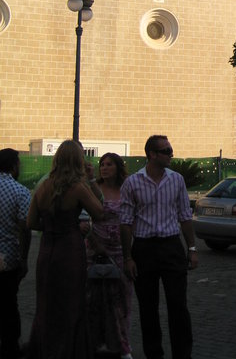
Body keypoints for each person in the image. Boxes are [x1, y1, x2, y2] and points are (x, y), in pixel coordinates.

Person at [120, 135, 198, 359]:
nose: (171, 153)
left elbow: (185, 216)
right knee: (148, 308)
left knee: (178, 306)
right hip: (144, 248)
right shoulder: (133, 183)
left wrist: (192, 248)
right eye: (166, 150)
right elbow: (125, 223)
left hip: (171, 245)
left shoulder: (177, 180)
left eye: (171, 149)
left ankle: (183, 355)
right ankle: (154, 354)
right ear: (152, 154)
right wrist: (128, 258)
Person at [26, 139, 104, 358]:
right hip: (69, 250)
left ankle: (44, 349)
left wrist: (51, 227)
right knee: (71, 304)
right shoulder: (79, 188)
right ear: (78, 160)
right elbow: (100, 212)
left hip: (46, 251)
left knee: (46, 304)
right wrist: (92, 181)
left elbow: (30, 222)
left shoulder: (43, 187)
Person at [86, 153, 133, 359]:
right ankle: (94, 342)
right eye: (102, 165)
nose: (104, 168)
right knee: (94, 298)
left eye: (109, 165)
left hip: (121, 249)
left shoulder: (127, 189)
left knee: (121, 299)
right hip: (96, 249)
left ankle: (122, 343)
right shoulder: (93, 188)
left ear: (118, 167)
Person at [0, 148, 31, 359]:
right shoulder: (20, 191)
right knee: (9, 304)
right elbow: (25, 228)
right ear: (13, 166)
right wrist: (24, 258)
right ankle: (10, 348)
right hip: (8, 259)